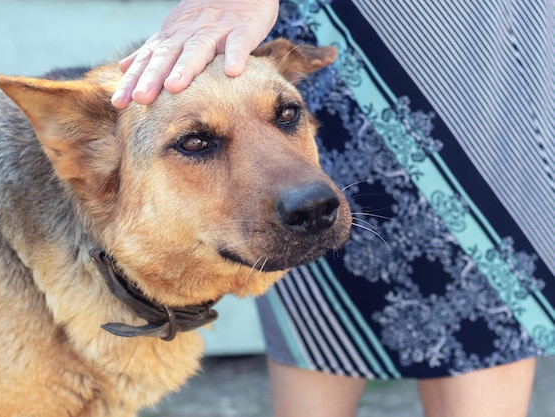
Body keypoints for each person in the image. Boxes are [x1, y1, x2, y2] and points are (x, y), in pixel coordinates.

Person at [112, 1, 555, 416]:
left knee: (487, 268)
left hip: (483, 33)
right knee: (299, 249)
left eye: (286, 117)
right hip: (335, 19)